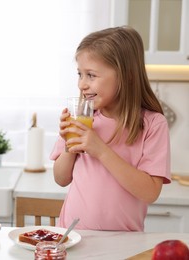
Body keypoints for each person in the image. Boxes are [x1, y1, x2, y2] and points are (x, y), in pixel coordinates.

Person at [50, 26, 171, 231]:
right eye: (80, 74)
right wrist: (70, 147)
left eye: (91, 75)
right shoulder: (81, 118)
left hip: (124, 242)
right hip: (72, 236)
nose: (81, 84)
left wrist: (101, 150)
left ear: (126, 76)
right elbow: (61, 179)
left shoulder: (153, 124)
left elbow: (150, 192)